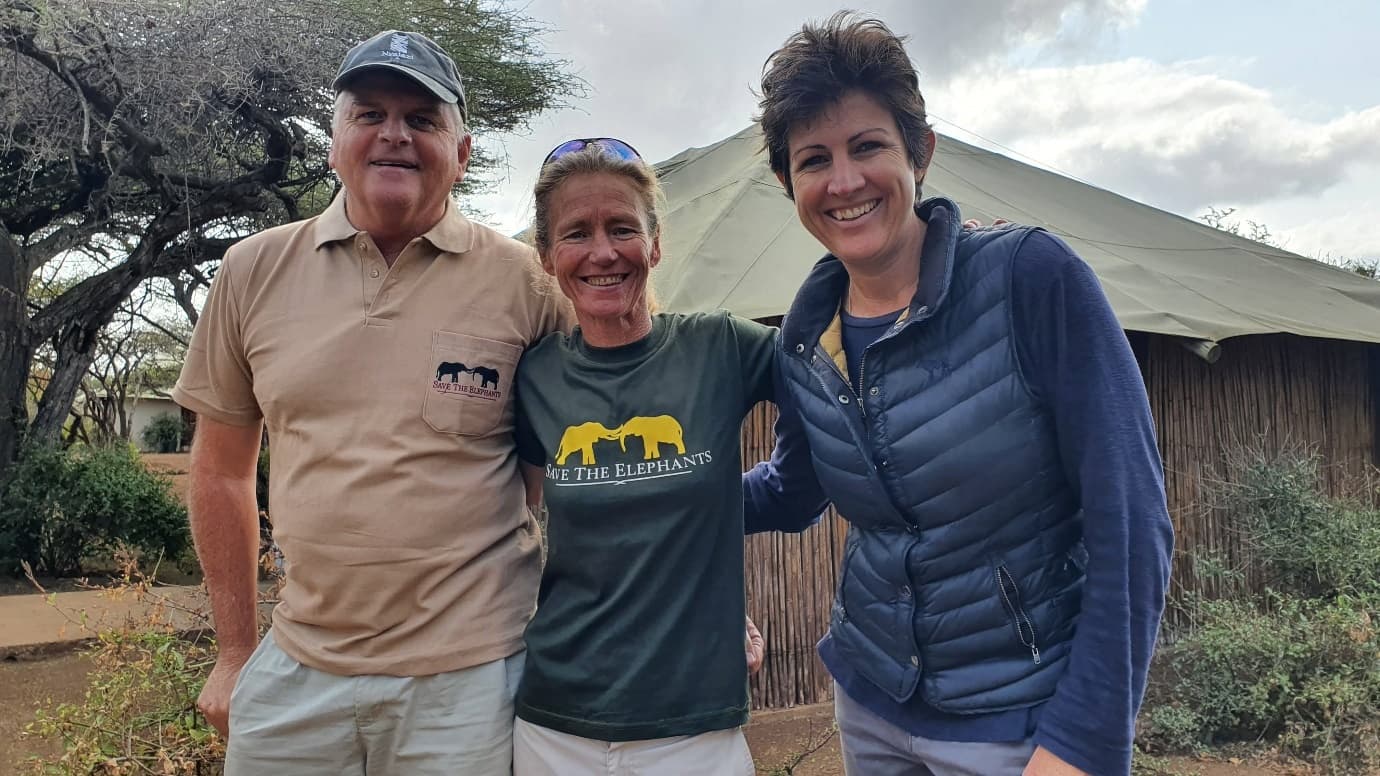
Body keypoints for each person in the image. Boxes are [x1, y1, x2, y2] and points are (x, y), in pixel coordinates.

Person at [743, 13, 1175, 776]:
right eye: (814, 159)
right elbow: (793, 491)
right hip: (872, 703)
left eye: (868, 146)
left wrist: (1084, 741)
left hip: (1017, 715)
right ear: (788, 184)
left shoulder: (1029, 279)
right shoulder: (807, 338)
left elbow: (1132, 520)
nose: (844, 181)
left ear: (921, 152)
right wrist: (664, 490)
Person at [172, 30, 574, 775]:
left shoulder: (531, 285)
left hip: (473, 680)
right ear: (333, 143)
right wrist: (234, 656)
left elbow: (571, 473)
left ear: (463, 150)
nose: (394, 134)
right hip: (297, 670)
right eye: (370, 113)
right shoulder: (251, 271)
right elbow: (220, 472)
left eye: (423, 119)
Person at [510, 137, 809, 775]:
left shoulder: (719, 347)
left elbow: (831, 371)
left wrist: (940, 266)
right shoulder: (534, 377)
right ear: (545, 256)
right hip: (553, 724)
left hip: (694, 728)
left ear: (654, 242)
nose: (602, 252)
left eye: (622, 228)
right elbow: (521, 520)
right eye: (575, 233)